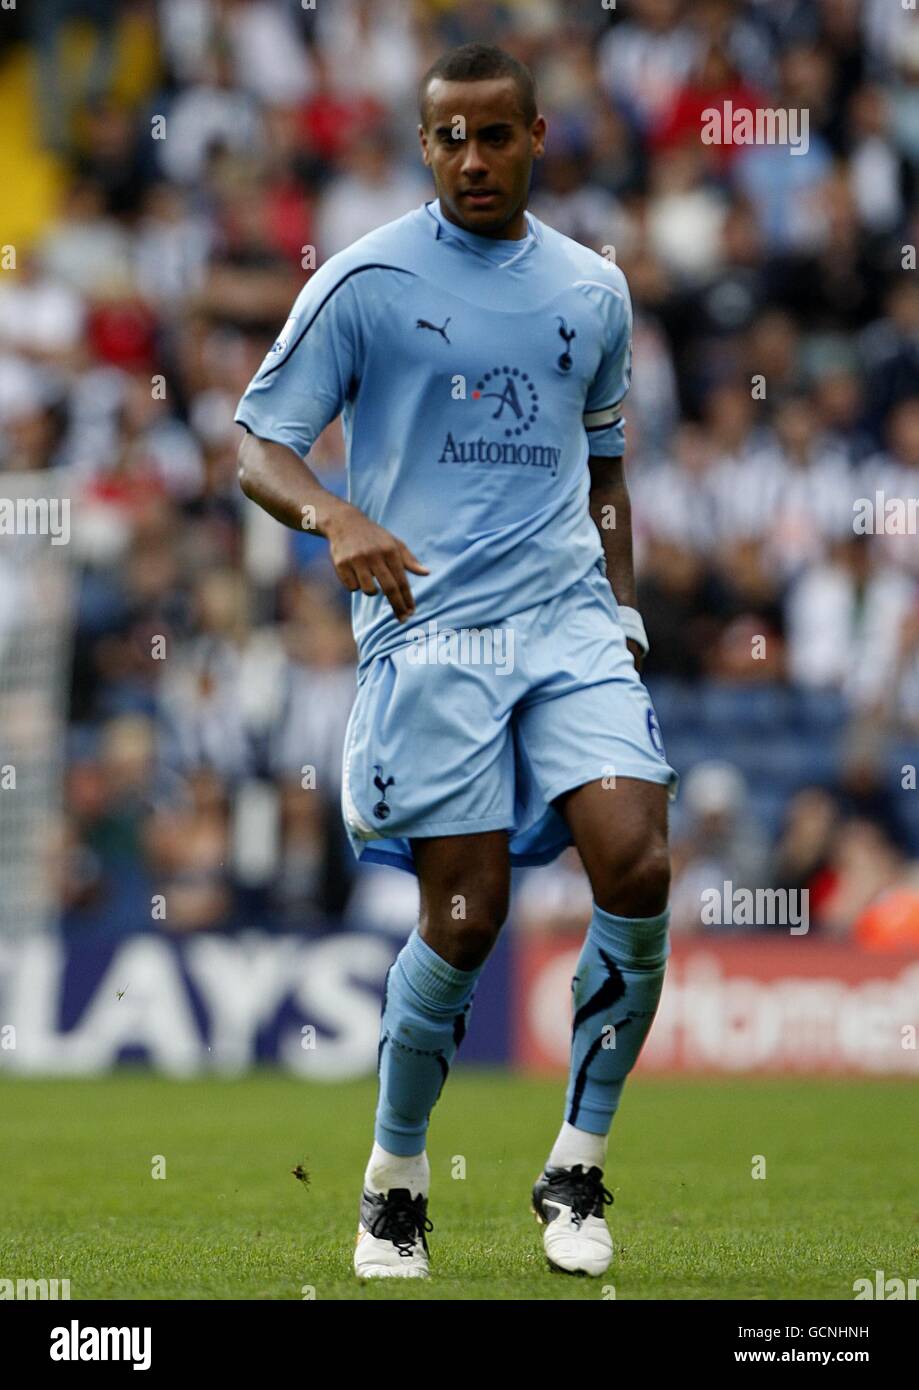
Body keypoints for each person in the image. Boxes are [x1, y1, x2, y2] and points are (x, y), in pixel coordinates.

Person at [235, 43, 676, 1281]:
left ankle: (576, 1166)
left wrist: (625, 623)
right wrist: (333, 515)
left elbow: (604, 476)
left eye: (495, 136)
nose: (471, 159)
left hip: (573, 626)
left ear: (538, 135)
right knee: (466, 918)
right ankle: (393, 1183)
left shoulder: (594, 289)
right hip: (431, 635)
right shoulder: (364, 280)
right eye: (447, 139)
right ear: (421, 144)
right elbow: (257, 445)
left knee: (637, 858)